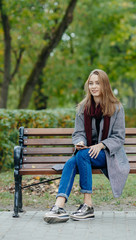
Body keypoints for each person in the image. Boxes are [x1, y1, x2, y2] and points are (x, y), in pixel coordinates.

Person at [43, 69, 130, 224]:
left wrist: (101, 145)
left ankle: (88, 205)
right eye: (91, 83)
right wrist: (80, 142)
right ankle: (59, 206)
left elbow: (118, 138)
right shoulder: (83, 108)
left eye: (97, 83)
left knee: (81, 156)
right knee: (72, 161)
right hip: (87, 154)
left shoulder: (116, 108)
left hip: (108, 155)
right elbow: (78, 133)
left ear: (105, 85)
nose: (94, 86)